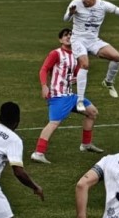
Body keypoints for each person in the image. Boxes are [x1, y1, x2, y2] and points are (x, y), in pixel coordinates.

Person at [32, 28, 104, 164]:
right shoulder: (56, 53)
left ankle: (86, 144)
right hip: (58, 96)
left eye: (71, 35)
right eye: (66, 35)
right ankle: (38, 153)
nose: (69, 37)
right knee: (53, 123)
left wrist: (77, 77)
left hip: (71, 96)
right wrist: (44, 85)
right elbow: (44, 69)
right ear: (60, 39)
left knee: (92, 112)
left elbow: (77, 70)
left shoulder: (76, 54)